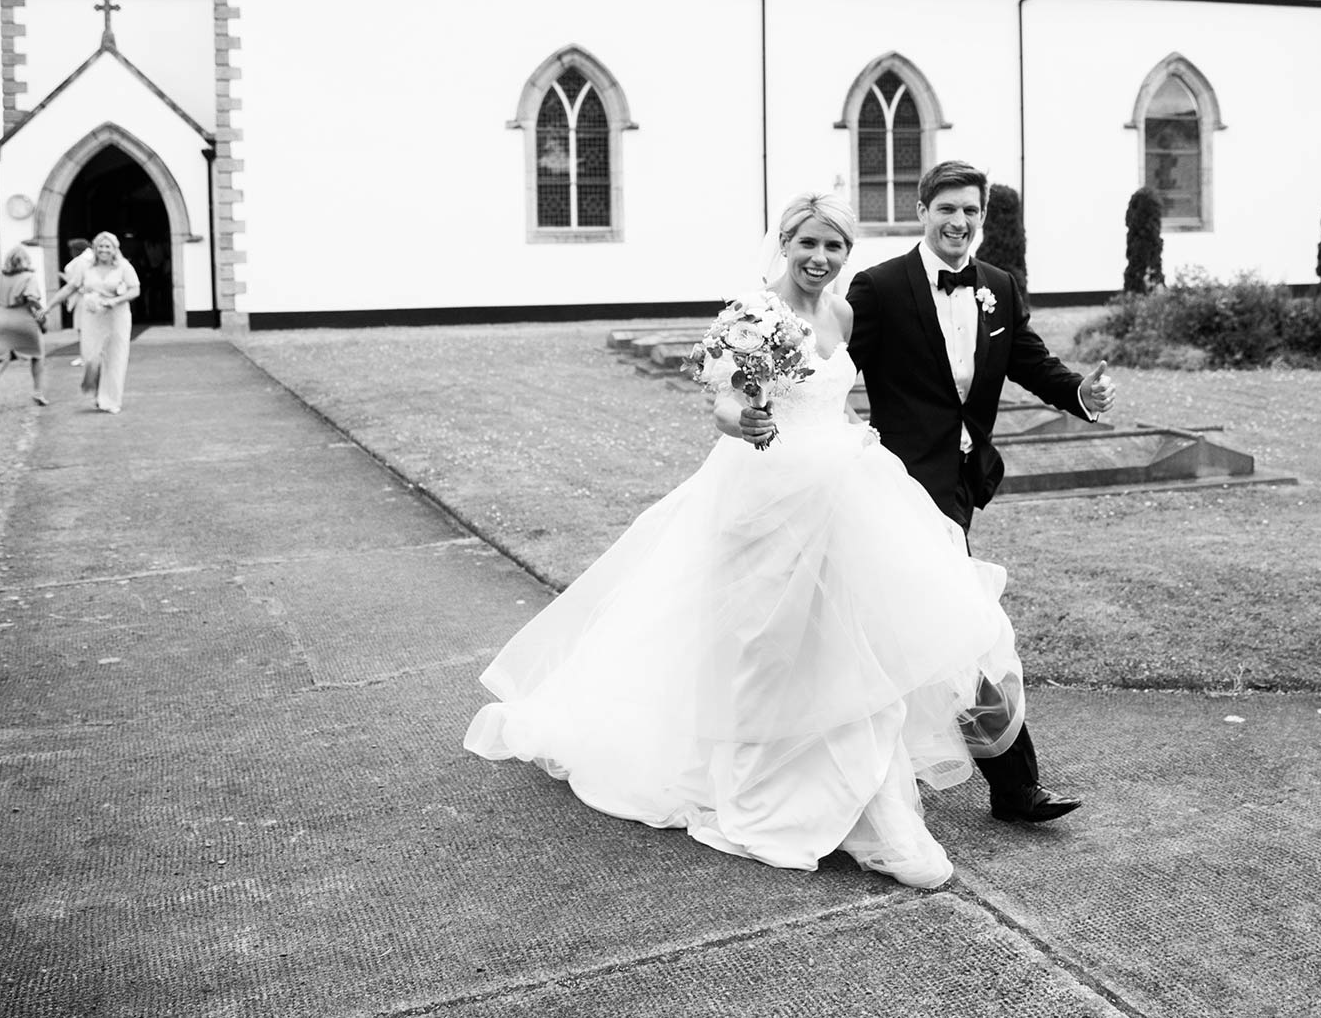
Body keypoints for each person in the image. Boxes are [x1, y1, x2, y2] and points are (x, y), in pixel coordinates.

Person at [466, 194, 1027, 890]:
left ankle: (873, 811)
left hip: (843, 491)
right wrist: (745, 422)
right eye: (809, 244)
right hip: (767, 497)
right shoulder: (752, 312)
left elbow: (839, 395)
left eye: (834, 247)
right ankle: (769, 785)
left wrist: (860, 435)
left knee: (855, 642)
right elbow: (725, 401)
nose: (821, 258)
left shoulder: (844, 312)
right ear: (785, 241)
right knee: (768, 645)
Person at [840, 160, 1114, 826]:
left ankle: (885, 776)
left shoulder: (998, 287)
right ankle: (1013, 788)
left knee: (921, 633)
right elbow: (834, 369)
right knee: (965, 631)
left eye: (971, 211)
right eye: (947, 209)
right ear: (922, 209)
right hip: (898, 487)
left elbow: (1031, 361)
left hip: (959, 486)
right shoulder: (878, 288)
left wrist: (1079, 391)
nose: (959, 222)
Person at [44, 231, 137, 413]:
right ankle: (97, 391)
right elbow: (70, 287)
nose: (103, 250)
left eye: (107, 246)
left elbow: (135, 290)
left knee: (114, 358)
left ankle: (111, 400)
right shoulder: (86, 267)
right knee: (91, 357)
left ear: (114, 249)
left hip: (116, 317)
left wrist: (115, 301)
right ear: (95, 249)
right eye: (100, 246)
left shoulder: (123, 267)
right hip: (92, 317)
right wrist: (49, 306)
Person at [0, 247, 50, 413]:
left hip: (1, 320)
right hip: (23, 320)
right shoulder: (29, 278)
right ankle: (38, 392)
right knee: (37, 356)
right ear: (26, 261)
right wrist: (42, 319)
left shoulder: (0, 277)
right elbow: (32, 300)